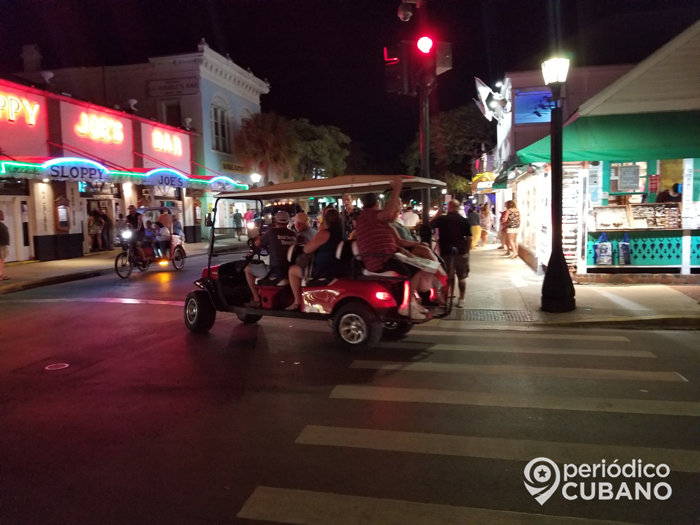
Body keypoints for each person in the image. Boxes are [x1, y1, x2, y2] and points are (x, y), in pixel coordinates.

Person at [355, 178, 429, 319]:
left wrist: (401, 250)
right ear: (376, 203)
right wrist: (396, 188)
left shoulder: (370, 217)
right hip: (380, 261)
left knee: (416, 264)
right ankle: (408, 305)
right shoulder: (370, 215)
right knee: (417, 268)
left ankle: (412, 301)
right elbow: (388, 214)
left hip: (385, 257)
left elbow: (387, 240)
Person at [287, 208, 344, 311]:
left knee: (292, 270)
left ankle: (297, 302)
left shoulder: (324, 234)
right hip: (338, 266)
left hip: (322, 268)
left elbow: (306, 249)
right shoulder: (342, 232)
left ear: (325, 220)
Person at [244, 211, 297, 307]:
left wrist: (258, 239)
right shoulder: (293, 234)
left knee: (248, 269)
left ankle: (256, 298)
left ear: (276, 221)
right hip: (288, 270)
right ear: (287, 222)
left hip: (275, 271)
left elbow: (257, 244)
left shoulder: (272, 232)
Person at [430, 200, 472, 309]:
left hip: (446, 251)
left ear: (449, 207)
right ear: (458, 208)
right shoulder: (464, 220)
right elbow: (469, 238)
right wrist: (467, 251)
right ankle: (461, 299)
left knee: (448, 276)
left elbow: (430, 224)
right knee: (462, 277)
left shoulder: (442, 219)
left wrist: (438, 213)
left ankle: (448, 296)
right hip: (461, 251)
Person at [0, 210, 10, 281]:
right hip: (0, 245)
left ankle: (0, 274)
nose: (3, 215)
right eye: (1, 214)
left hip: (3, 244)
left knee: (2, 259)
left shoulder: (1, 224)